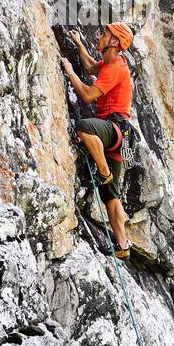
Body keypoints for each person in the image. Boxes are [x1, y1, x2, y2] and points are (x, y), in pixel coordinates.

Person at [60, 22, 135, 258]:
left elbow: (87, 95)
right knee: (111, 195)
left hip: (114, 129)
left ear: (114, 42)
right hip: (121, 135)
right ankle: (122, 246)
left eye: (105, 34)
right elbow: (92, 67)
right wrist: (79, 44)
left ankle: (103, 171)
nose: (99, 37)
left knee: (84, 127)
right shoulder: (112, 63)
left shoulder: (115, 69)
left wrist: (69, 71)